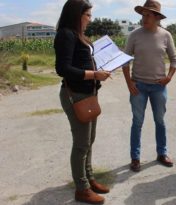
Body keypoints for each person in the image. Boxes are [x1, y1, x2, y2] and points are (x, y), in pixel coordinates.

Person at [55, 0, 111, 204]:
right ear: (77, 15)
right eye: (88, 15)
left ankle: (89, 178)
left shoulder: (79, 36)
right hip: (76, 95)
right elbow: (63, 69)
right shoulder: (66, 35)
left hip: (89, 94)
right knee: (81, 144)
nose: (90, 19)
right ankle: (82, 188)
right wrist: (94, 73)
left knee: (89, 140)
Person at [122, 0, 176, 172]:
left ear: (157, 17)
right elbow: (124, 62)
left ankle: (162, 153)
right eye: (143, 15)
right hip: (138, 86)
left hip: (158, 87)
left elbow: (175, 60)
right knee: (137, 122)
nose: (143, 18)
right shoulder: (134, 35)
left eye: (147, 15)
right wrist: (129, 83)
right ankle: (135, 158)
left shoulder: (166, 35)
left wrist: (169, 77)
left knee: (160, 121)